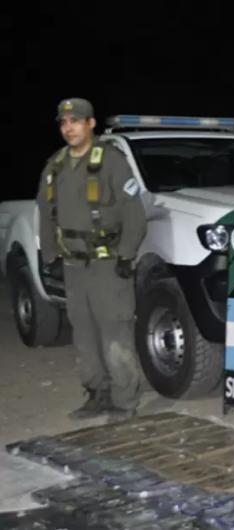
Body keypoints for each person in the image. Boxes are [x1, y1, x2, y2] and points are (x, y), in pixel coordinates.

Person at [37, 98, 147, 421]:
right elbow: (46, 213)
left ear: (91, 124)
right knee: (83, 332)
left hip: (108, 263)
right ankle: (96, 394)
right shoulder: (55, 165)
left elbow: (134, 215)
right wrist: (49, 254)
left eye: (75, 121)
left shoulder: (111, 162)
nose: (68, 127)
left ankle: (125, 402)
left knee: (115, 330)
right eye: (63, 122)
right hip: (73, 266)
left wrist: (127, 254)